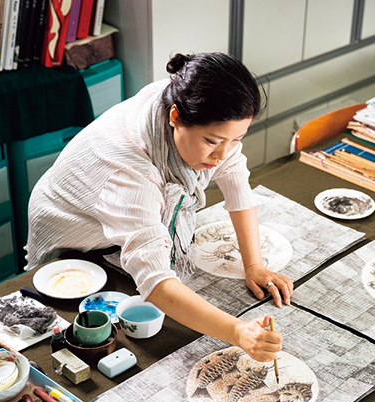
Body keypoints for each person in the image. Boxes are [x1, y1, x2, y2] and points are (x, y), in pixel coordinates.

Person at [25, 52, 294, 362]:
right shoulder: (131, 171)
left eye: (236, 139)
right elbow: (154, 281)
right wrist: (238, 332)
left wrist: (254, 266)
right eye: (212, 141)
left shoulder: (182, 99)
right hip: (73, 233)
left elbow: (235, 179)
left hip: (115, 217)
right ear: (176, 117)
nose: (223, 154)